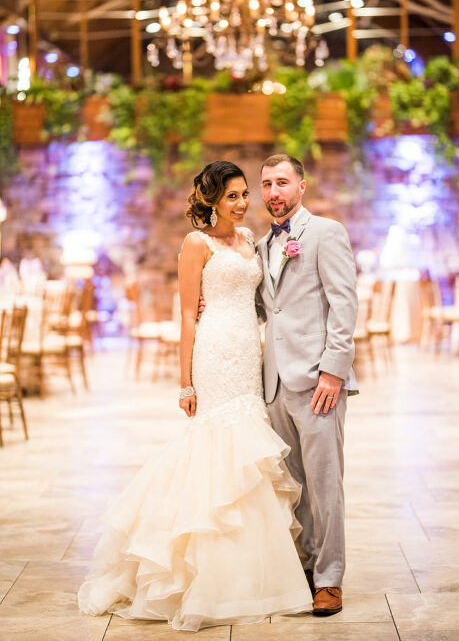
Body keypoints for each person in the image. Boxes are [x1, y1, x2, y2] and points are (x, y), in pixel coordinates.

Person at [77, 160, 312, 632]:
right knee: (215, 446)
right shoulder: (195, 244)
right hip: (214, 352)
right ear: (212, 201)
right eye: (232, 196)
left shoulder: (249, 239)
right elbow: (187, 315)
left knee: (249, 453)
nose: (242, 203)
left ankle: (252, 573)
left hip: (249, 351)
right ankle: (202, 574)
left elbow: (262, 299)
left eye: (244, 194)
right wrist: (185, 382)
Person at [256, 153, 359, 616]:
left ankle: (330, 578)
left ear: (301, 186)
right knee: (293, 485)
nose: (273, 192)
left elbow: (344, 304)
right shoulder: (262, 244)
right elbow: (268, 308)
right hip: (275, 383)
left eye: (282, 182)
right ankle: (305, 567)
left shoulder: (325, 233)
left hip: (318, 380)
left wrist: (334, 369)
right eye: (266, 184)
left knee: (324, 484)